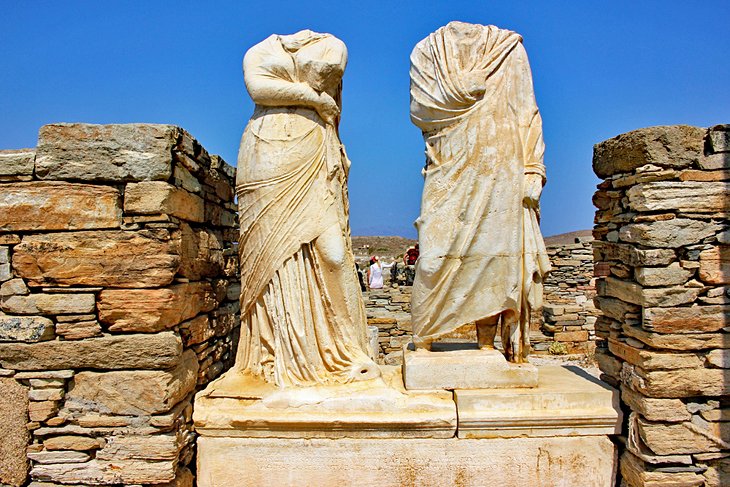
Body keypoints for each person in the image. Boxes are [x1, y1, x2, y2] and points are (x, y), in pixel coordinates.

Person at [234, 30, 379, 387]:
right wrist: (313, 98)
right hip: (265, 153)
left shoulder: (333, 44)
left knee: (333, 255)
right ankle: (278, 355)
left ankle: (342, 347)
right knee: (272, 257)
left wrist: (317, 106)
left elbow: (329, 83)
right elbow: (258, 89)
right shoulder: (260, 49)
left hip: (314, 148)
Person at [409, 22, 551, 363]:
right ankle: (424, 337)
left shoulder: (508, 47)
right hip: (449, 160)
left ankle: (486, 343)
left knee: (493, 258)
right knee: (433, 256)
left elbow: (528, 110)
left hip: (503, 161)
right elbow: (419, 110)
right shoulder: (426, 49)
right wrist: (461, 90)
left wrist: (533, 166)